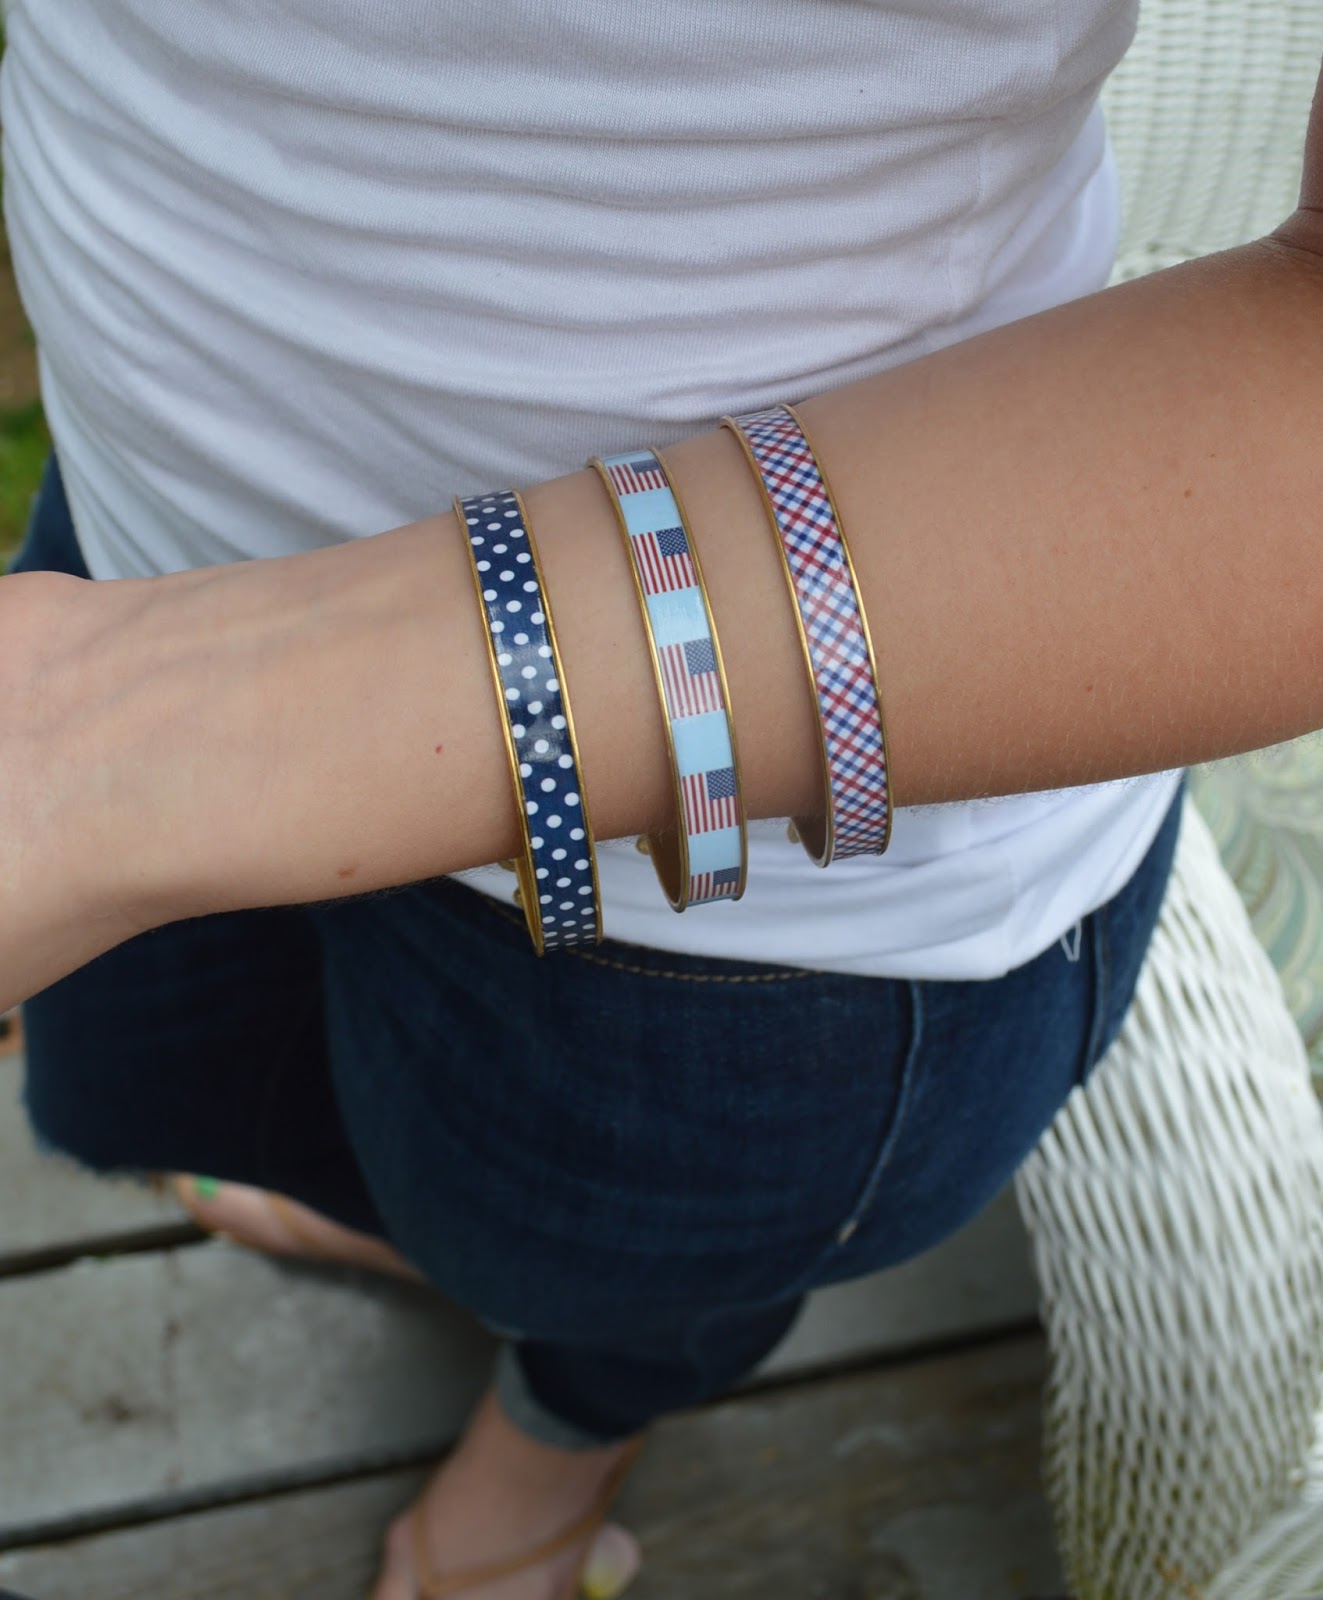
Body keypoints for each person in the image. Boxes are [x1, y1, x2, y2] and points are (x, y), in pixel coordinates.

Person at [2, 4, 1322, 1597]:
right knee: (220, 1110)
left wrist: (166, 734)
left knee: (616, 1290)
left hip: (738, 910)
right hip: (131, 560)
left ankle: (562, 1439)